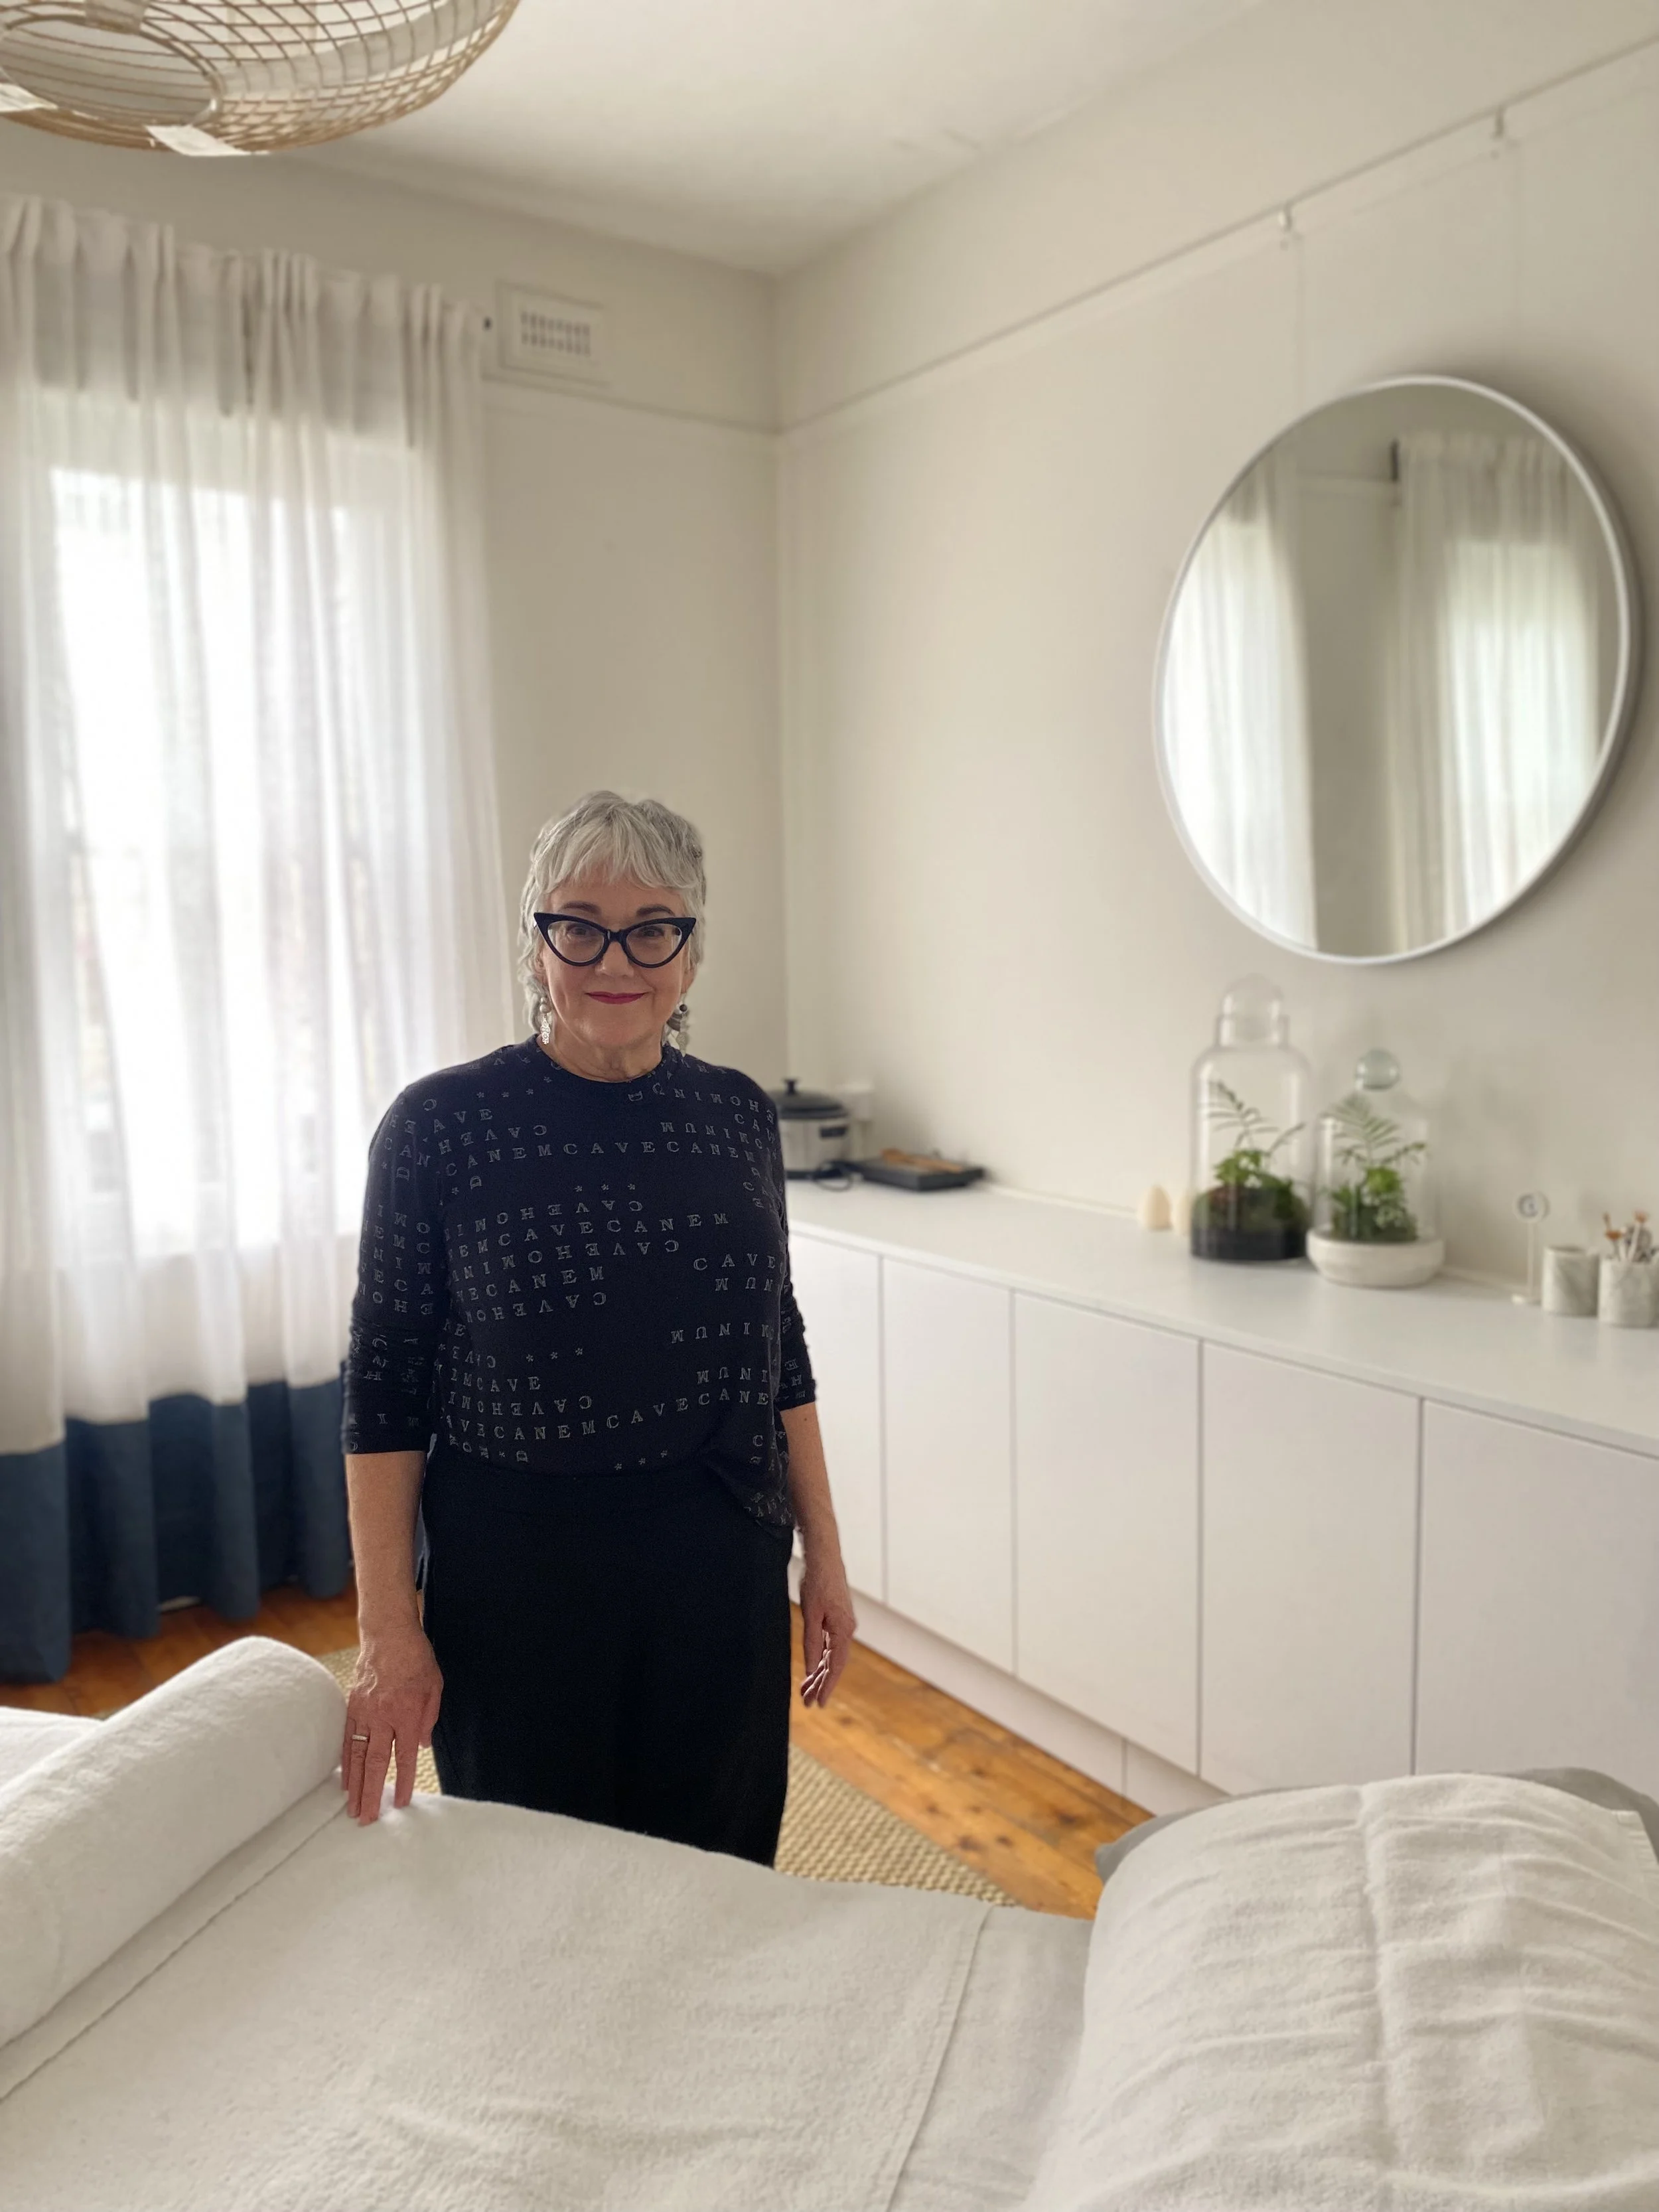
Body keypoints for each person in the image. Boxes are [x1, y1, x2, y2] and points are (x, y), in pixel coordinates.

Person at [338, 790, 856, 1862]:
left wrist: (826, 1557)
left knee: (718, 1873)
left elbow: (779, 1344)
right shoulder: (441, 1127)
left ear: (691, 952)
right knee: (533, 1880)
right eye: (579, 925)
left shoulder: (738, 1114)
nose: (616, 958)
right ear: (538, 946)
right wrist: (388, 1629)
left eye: (652, 926)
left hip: (720, 1562)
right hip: (521, 1579)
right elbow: (384, 1387)